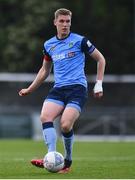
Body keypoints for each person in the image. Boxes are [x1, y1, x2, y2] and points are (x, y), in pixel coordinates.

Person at [19, 8, 106, 173]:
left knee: (65, 125)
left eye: (68, 21)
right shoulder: (48, 45)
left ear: (70, 23)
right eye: (62, 21)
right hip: (58, 89)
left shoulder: (80, 41)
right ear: (55, 22)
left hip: (77, 89)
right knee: (45, 116)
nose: (65, 25)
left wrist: (99, 83)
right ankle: (51, 156)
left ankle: (67, 160)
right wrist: (30, 89)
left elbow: (100, 59)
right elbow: (45, 70)